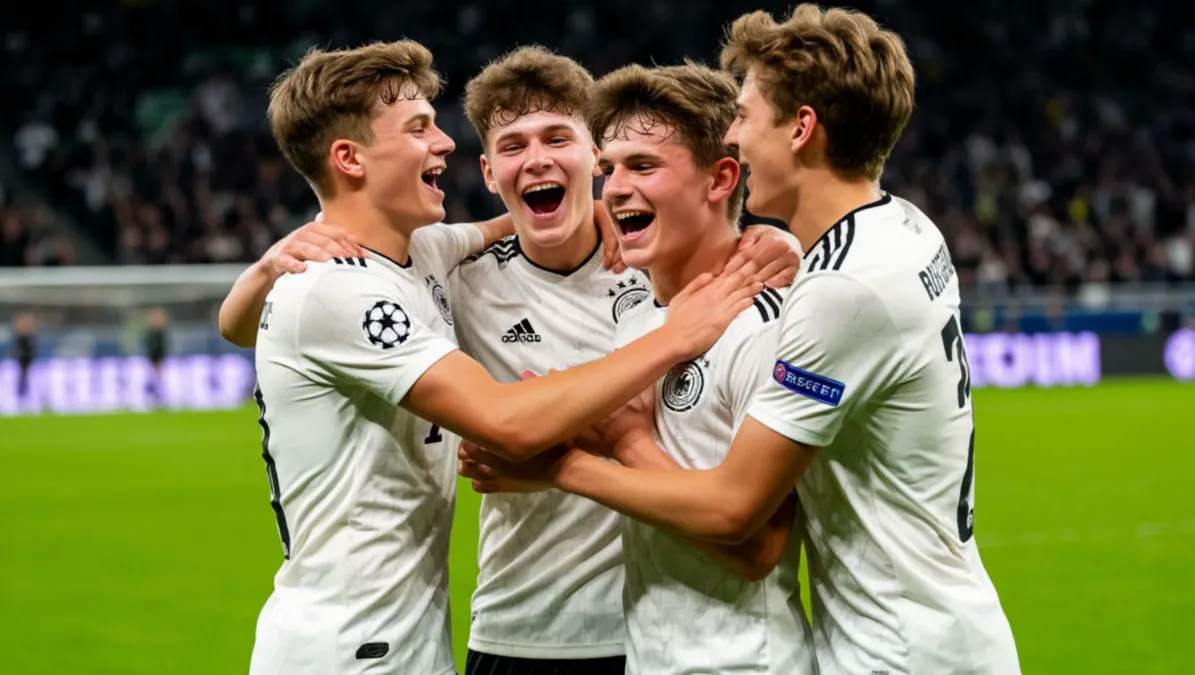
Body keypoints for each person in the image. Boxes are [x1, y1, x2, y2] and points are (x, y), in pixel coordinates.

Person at [464, 6, 1021, 675]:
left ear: (800, 129)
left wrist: (590, 453)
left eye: (747, 116)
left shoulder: (804, 306)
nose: (737, 133)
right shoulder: (902, 227)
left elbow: (742, 522)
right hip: (868, 631)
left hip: (881, 650)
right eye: (608, 168)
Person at [223, 45, 799, 675]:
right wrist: (272, 265)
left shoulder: (647, 271)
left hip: (645, 632)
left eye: (559, 139)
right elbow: (256, 326)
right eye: (513, 146)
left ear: (590, 159)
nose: (538, 159)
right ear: (491, 174)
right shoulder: (459, 279)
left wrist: (767, 235)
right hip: (505, 631)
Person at [465, 62, 816, 675]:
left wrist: (592, 455)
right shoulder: (640, 315)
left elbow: (755, 539)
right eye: (612, 170)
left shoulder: (768, 325)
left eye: (642, 167)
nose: (615, 189)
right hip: (644, 654)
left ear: (722, 177)